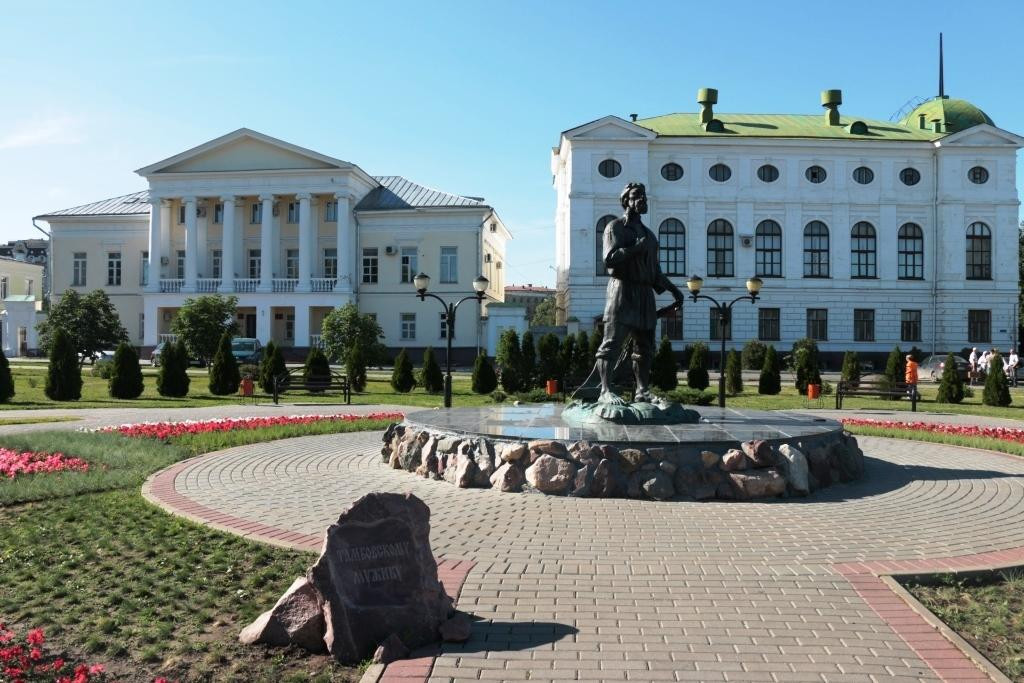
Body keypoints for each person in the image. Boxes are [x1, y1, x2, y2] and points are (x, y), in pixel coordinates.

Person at [595, 182, 686, 404]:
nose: (642, 200)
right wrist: (636, 248)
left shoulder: (651, 236)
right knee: (612, 343)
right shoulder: (614, 227)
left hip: (645, 294)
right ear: (626, 200)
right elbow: (609, 259)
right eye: (636, 196)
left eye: (643, 196)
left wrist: (676, 292)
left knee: (645, 346)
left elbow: (656, 272)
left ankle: (642, 391)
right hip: (622, 290)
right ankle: (605, 390)